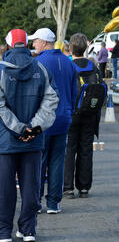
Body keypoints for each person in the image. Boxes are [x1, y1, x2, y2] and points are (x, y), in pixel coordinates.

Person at [0, 29, 59, 242]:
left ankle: (2, 231)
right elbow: (52, 100)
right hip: (34, 140)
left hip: (4, 140)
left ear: (8, 46)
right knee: (31, 186)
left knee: (2, 187)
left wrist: (19, 128)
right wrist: (34, 128)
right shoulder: (41, 69)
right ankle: (28, 230)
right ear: (27, 44)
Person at [30, 28, 78, 214]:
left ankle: (36, 201)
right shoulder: (68, 61)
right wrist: (70, 111)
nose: (33, 44)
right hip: (64, 117)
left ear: (44, 42)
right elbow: (74, 91)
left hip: (44, 119)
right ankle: (53, 203)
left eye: (36, 41)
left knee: (39, 161)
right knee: (57, 160)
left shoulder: (38, 62)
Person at [63, 33, 105, 199]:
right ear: (86, 48)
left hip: (72, 113)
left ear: (71, 48)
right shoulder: (93, 66)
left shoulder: (68, 66)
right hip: (90, 113)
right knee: (86, 150)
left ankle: (68, 188)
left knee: (69, 150)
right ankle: (84, 187)